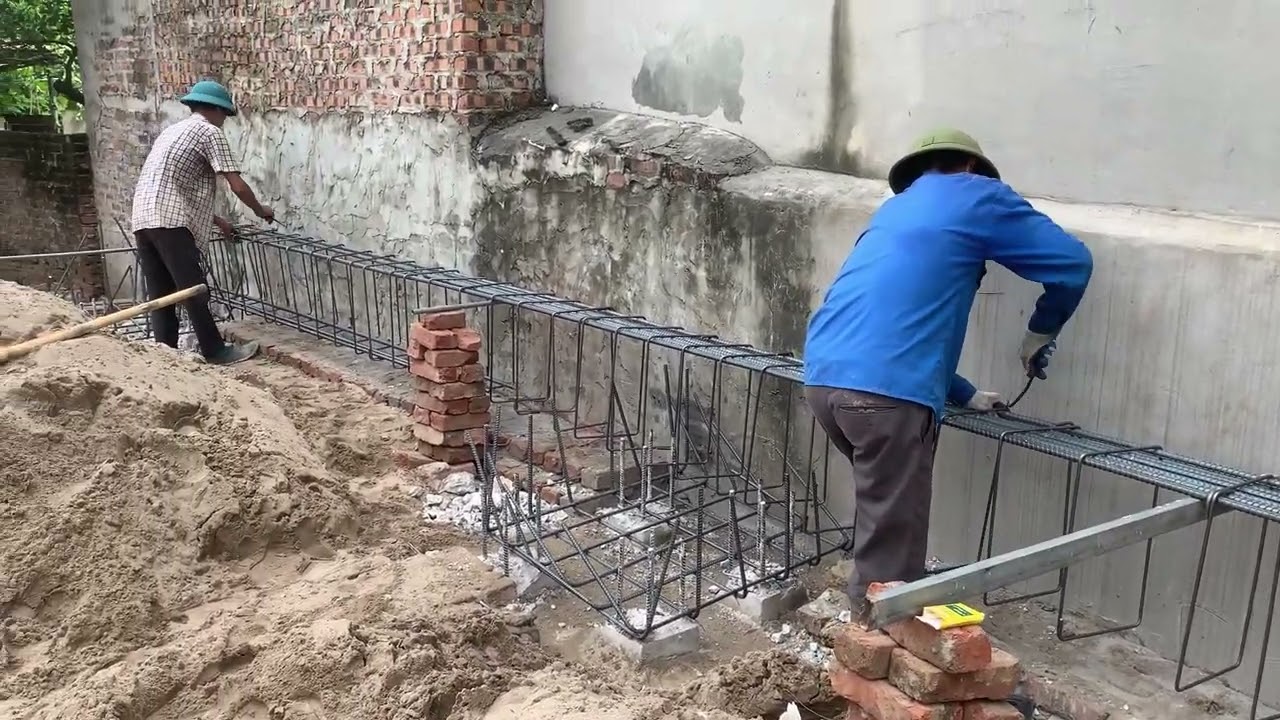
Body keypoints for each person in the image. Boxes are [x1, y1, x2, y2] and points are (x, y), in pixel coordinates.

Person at [803, 128, 1094, 621]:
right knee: (890, 548)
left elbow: (893, 326)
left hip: (825, 382)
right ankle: (876, 648)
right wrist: (1039, 333)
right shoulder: (976, 193)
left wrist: (966, 393)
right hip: (883, 399)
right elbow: (1072, 263)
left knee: (891, 515)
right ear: (971, 168)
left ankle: (891, 622)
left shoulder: (893, 212)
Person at [130, 79, 275, 365]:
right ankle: (215, 350)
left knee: (162, 294)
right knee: (194, 289)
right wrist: (260, 210)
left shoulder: (172, 131)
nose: (224, 122)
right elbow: (237, 184)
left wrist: (219, 222)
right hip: (171, 222)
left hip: (143, 219)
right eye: (225, 116)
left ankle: (165, 356)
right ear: (218, 110)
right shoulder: (209, 132)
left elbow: (173, 189)